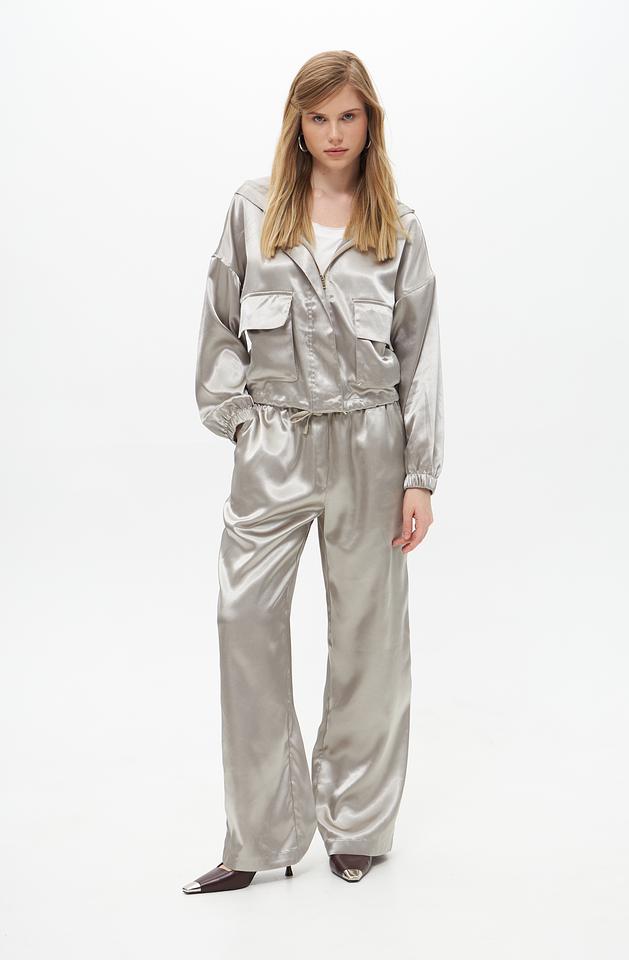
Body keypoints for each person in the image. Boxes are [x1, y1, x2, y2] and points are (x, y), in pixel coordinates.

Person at [183, 49, 444, 894]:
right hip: (274, 443)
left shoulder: (399, 228)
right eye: (319, 117)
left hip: (371, 446)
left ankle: (356, 824)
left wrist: (419, 475)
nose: (335, 133)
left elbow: (420, 359)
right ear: (297, 124)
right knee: (243, 620)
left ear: (371, 123)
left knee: (369, 636)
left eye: (349, 116)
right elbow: (219, 324)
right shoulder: (253, 211)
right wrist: (239, 421)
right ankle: (260, 837)